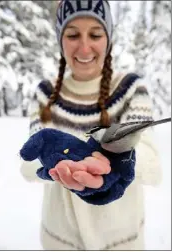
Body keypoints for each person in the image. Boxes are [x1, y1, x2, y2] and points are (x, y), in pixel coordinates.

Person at [20, 0, 162, 250]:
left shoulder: (130, 88)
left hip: (121, 242)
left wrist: (118, 158)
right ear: (60, 39)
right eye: (73, 34)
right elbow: (28, 165)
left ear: (108, 38)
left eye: (95, 34)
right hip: (59, 241)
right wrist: (52, 162)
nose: (84, 48)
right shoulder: (45, 93)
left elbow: (152, 165)